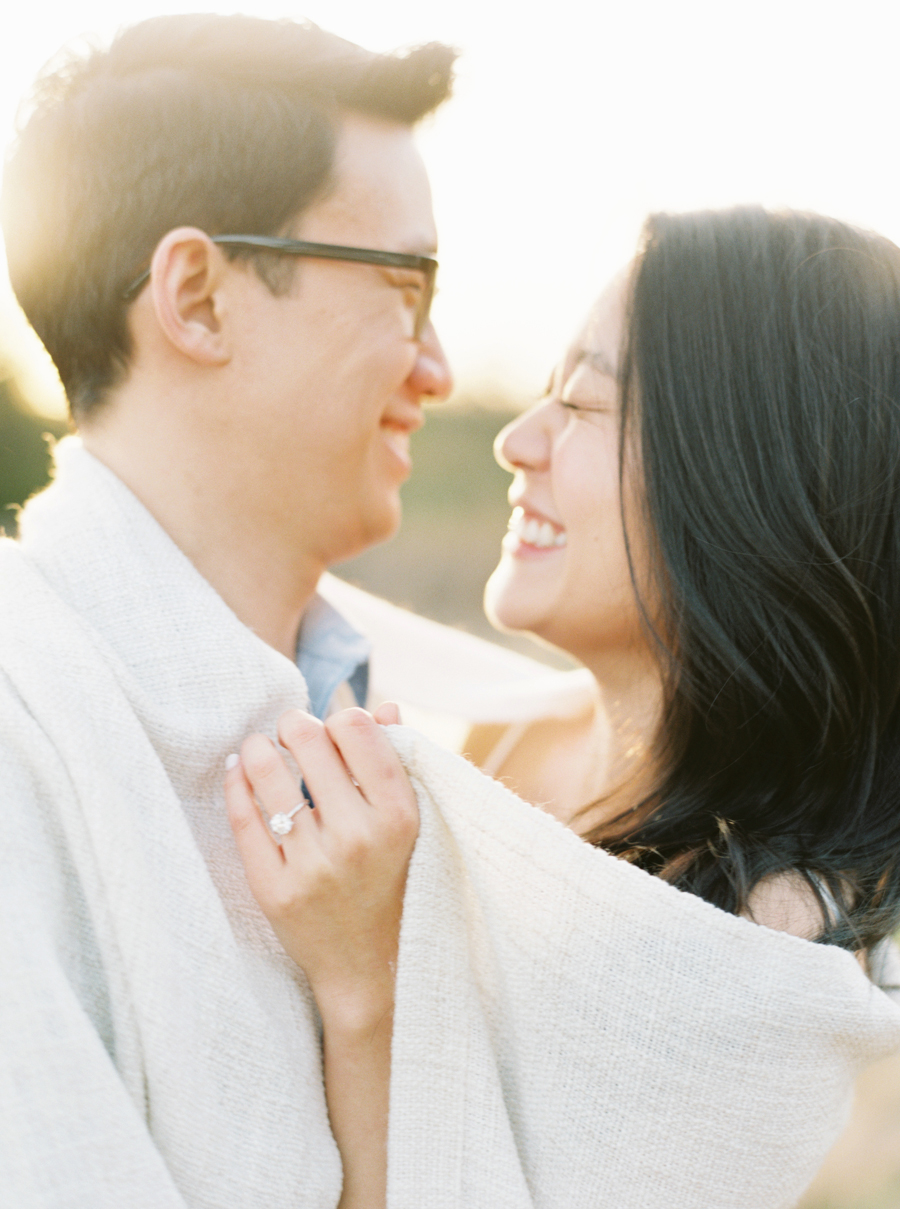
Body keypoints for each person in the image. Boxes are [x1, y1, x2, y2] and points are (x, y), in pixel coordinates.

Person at [227, 207, 900, 1206]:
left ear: (744, 473)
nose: (516, 440)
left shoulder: (765, 953)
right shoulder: (506, 740)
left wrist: (366, 982)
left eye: (581, 403)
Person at [0, 14, 454, 1208]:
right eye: (406, 288)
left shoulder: (412, 709)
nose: (440, 366)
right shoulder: (21, 729)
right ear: (197, 295)